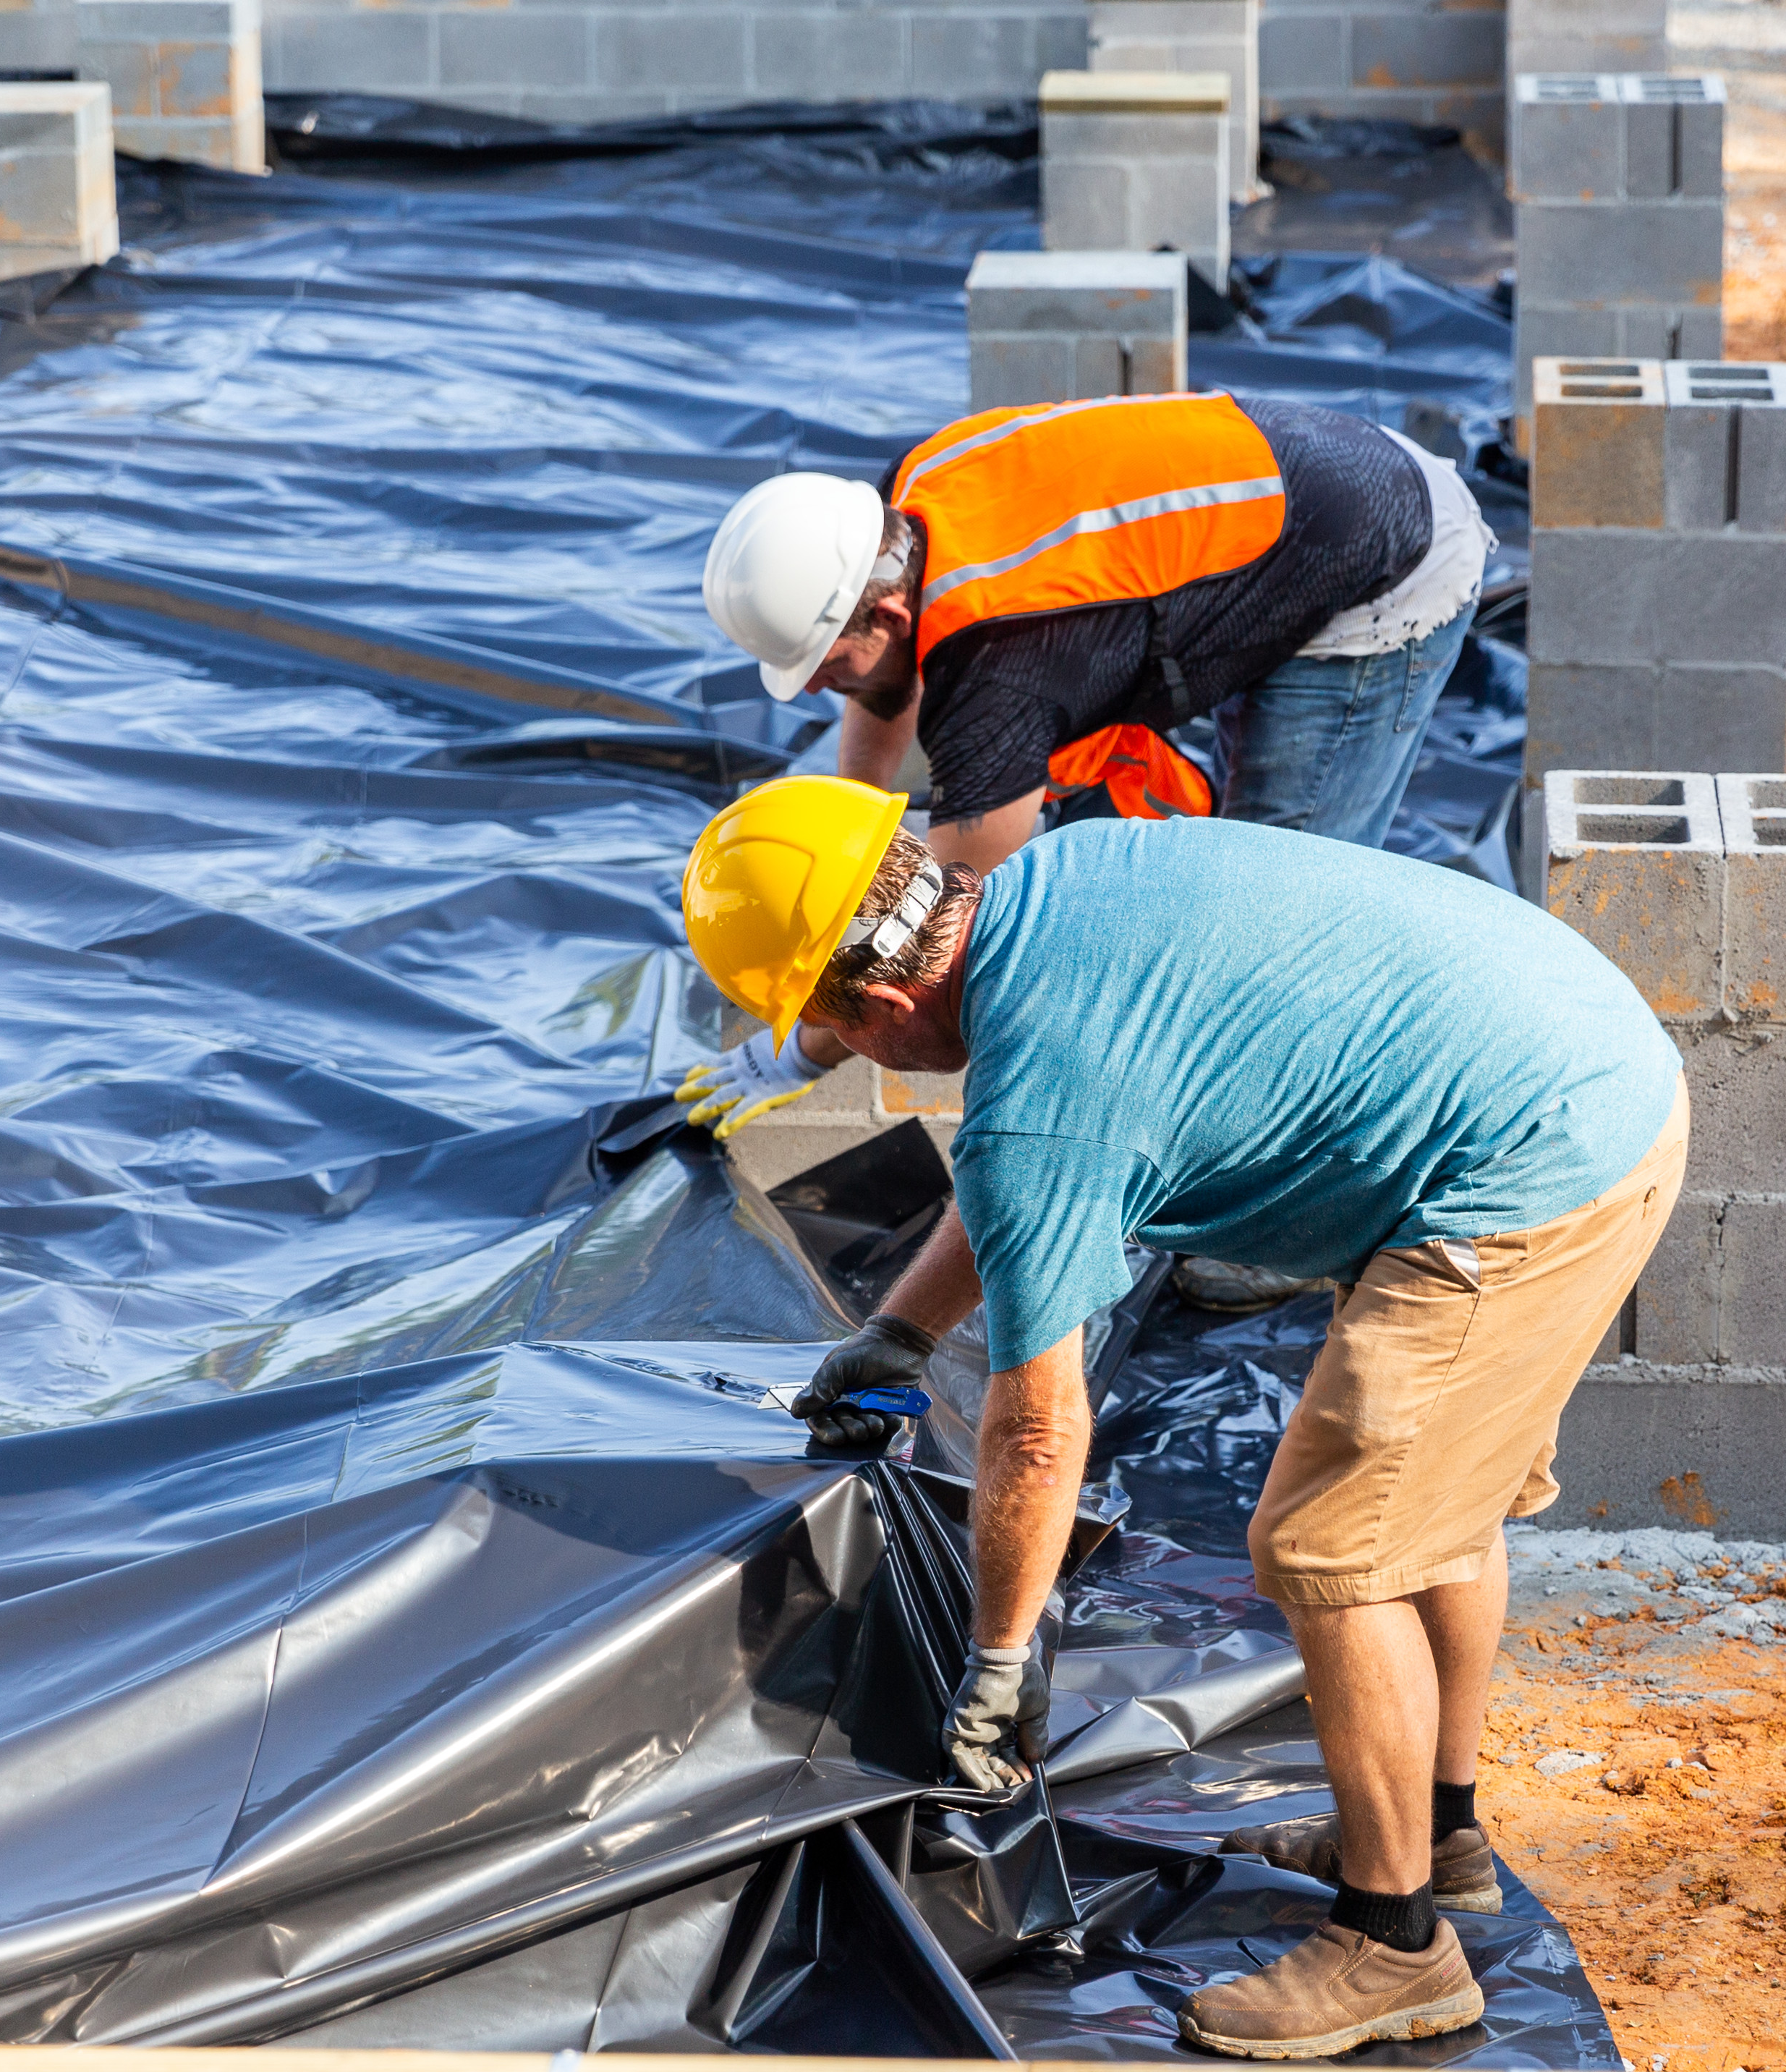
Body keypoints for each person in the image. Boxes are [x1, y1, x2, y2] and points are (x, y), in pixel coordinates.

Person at [679, 775, 1683, 2060]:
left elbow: (1038, 1431)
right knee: (1436, 1499)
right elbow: (1026, 1189)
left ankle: (1396, 1941)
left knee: (1330, 1545)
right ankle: (1438, 1832)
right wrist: (902, 1329)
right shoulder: (1061, 880)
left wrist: (994, 1669)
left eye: (835, 1032)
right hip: (1583, 1065)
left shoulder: (1039, 1092)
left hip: (1524, 1167)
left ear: (877, 1002)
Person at [679, 390, 1493, 1310]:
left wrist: (805, 1052)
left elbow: (932, 918)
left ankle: (1303, 1212)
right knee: (1214, 862)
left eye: (828, 661)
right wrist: (835, 846)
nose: (823, 688)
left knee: (1272, 913)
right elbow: (881, 700)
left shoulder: (1000, 665)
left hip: (1384, 562)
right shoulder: (900, 510)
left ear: (888, 614)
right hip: (1304, 498)